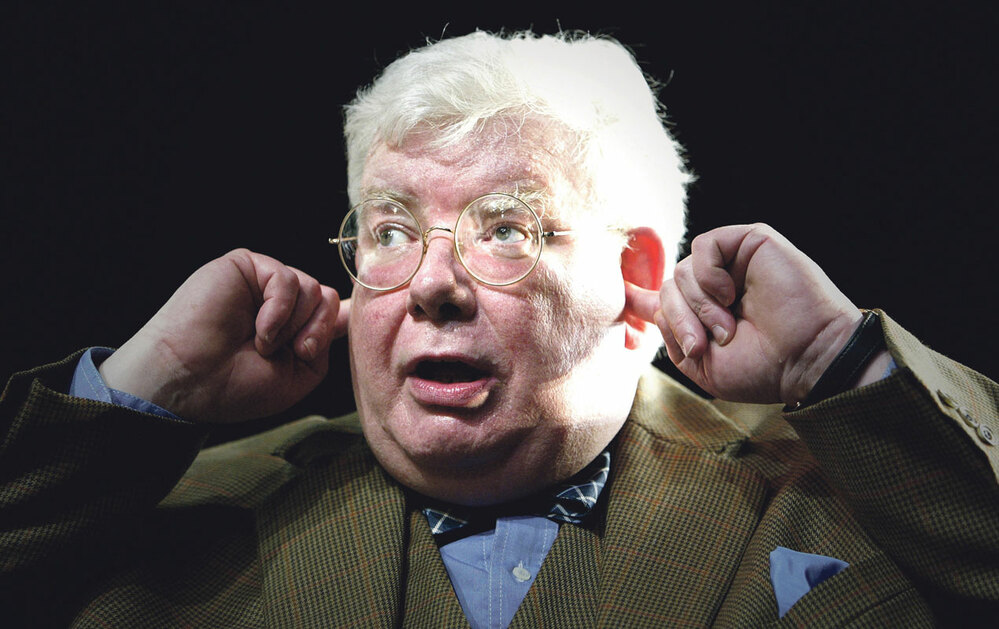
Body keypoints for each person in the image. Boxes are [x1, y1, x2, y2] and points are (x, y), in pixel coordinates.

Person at [2, 29, 997, 628]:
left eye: (506, 228)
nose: (430, 283)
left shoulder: (855, 488)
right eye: (391, 228)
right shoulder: (162, 506)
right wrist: (142, 390)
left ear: (635, 278)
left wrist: (837, 361)